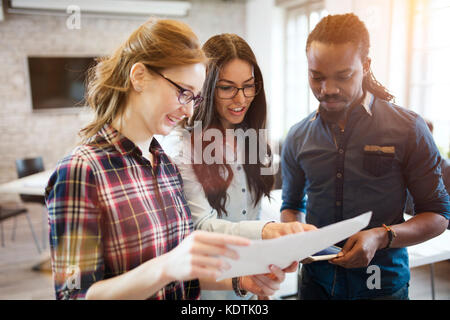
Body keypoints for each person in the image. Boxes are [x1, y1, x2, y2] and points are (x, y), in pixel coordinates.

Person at [45, 19, 292, 300]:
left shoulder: (165, 167)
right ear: (139, 76)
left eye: (194, 98)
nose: (188, 111)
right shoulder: (82, 171)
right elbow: (73, 294)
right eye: (182, 92)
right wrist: (166, 267)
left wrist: (243, 281)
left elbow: (183, 279)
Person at [280, 13, 450, 300]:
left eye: (343, 76)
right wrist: (291, 235)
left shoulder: (408, 128)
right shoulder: (297, 136)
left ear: (366, 66)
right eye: (317, 77)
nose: (328, 89)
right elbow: (291, 206)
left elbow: (438, 215)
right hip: (315, 283)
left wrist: (382, 236)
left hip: (381, 284)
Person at [161, 33, 315, 300]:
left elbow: (249, 216)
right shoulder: (181, 146)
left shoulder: (251, 137)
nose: (241, 99)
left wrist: (263, 279)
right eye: (227, 87)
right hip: (209, 288)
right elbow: (203, 226)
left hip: (251, 285)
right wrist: (268, 231)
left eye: (248, 86)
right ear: (206, 89)